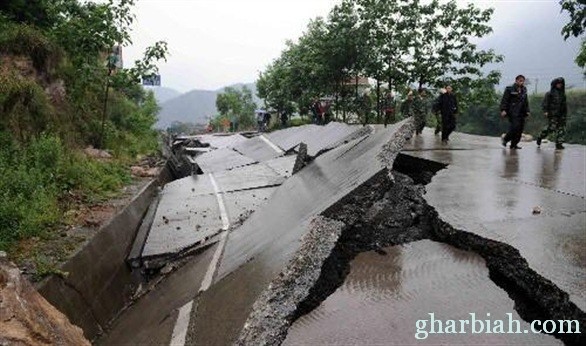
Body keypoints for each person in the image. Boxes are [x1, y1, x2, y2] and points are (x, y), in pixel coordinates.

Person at [536, 77, 567, 150]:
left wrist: (565, 114)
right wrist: (545, 111)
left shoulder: (563, 94)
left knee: (561, 129)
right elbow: (545, 103)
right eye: (558, 84)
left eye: (561, 84)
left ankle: (559, 144)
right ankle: (540, 136)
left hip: (561, 115)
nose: (560, 85)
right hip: (553, 114)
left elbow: (564, 105)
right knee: (551, 128)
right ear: (555, 84)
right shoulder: (549, 93)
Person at [500, 75, 530, 149]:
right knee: (514, 127)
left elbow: (526, 101)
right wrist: (503, 110)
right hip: (512, 111)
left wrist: (527, 110)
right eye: (520, 80)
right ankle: (506, 139)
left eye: (523, 81)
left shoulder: (524, 89)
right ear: (516, 81)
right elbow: (504, 100)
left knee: (520, 129)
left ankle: (514, 144)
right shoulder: (509, 89)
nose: (521, 82)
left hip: (521, 112)